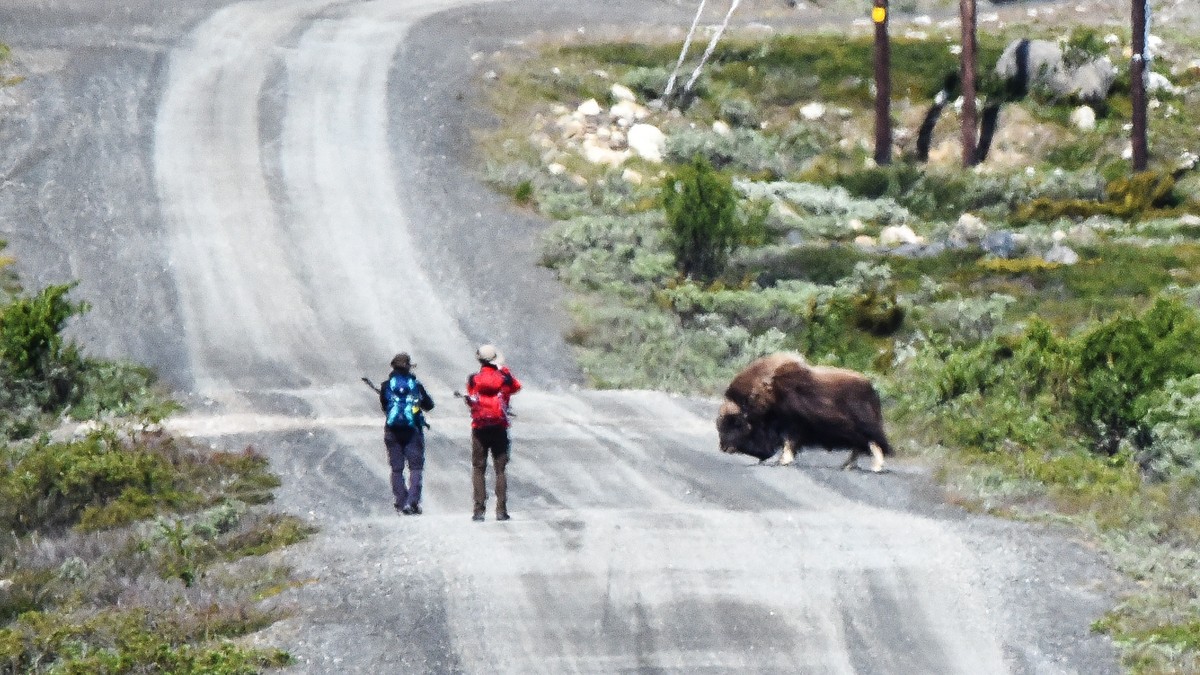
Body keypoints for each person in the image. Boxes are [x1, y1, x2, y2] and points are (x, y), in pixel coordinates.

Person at [462, 344, 521, 522]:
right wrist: (504, 370)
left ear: (479, 360)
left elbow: (471, 397)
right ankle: (501, 511)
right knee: (500, 470)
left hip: (479, 427)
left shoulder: (474, 379)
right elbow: (517, 387)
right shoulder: (504, 378)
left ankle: (478, 510)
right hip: (499, 426)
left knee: (478, 468)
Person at [379, 352, 435, 515]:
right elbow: (429, 405)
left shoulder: (386, 385)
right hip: (413, 430)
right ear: (408, 367)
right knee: (415, 468)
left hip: (392, 430)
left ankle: (400, 502)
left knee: (396, 469)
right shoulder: (415, 385)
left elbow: (384, 406)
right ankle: (412, 502)